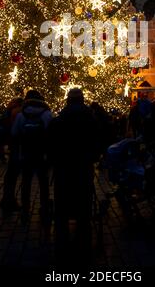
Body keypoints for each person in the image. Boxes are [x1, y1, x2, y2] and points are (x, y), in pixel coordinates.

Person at [49, 88, 101, 264]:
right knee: (84, 198)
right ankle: (83, 232)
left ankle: (62, 235)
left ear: (68, 101)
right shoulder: (91, 119)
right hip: (84, 165)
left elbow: (52, 142)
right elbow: (97, 141)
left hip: (63, 166)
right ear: (83, 100)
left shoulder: (59, 120)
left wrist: (54, 159)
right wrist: (94, 156)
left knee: (62, 199)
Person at [11, 90, 52, 223]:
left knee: (26, 181)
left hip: (26, 153)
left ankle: (25, 209)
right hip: (42, 154)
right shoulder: (46, 113)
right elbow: (52, 133)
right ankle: (44, 207)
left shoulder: (21, 114)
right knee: (43, 182)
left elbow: (14, 133)